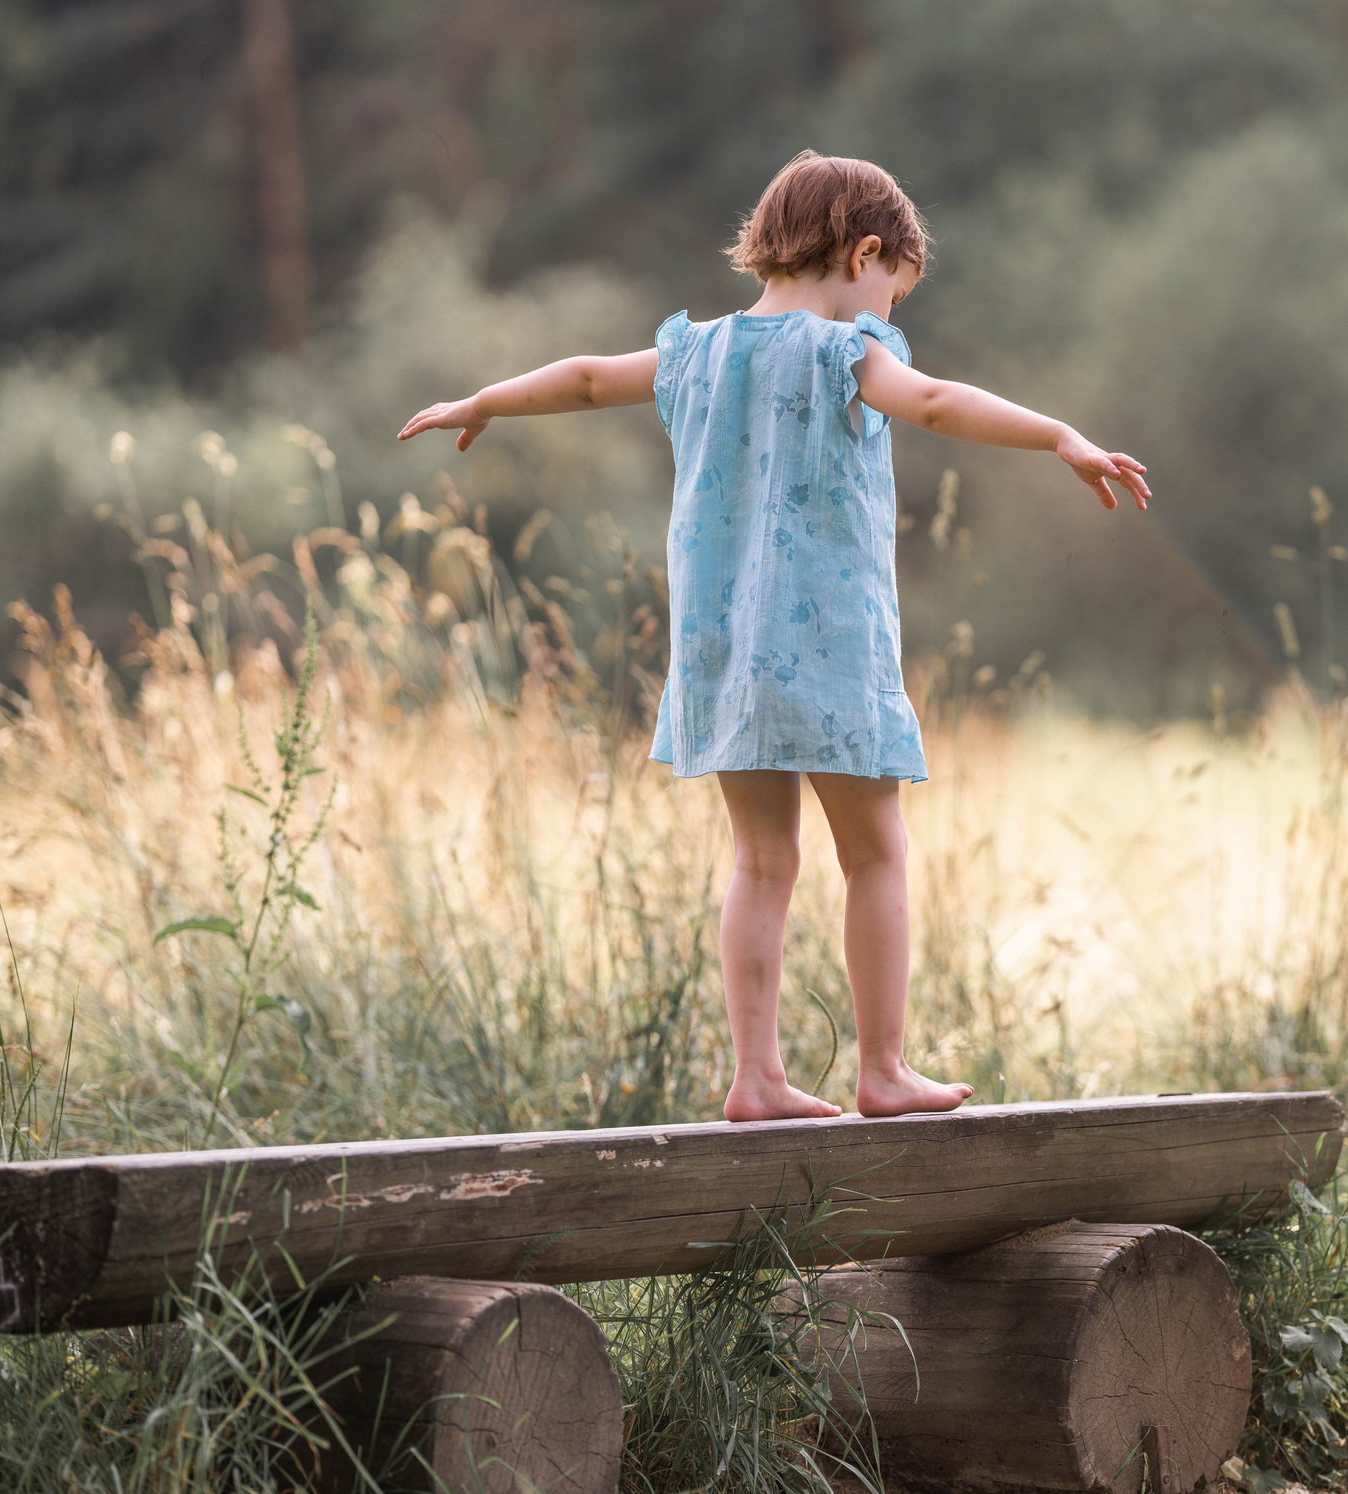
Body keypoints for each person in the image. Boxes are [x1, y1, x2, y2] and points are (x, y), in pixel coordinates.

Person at [401, 152, 1150, 1120]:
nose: (885, 317)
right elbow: (929, 402)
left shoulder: (694, 351)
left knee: (761, 861)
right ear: (865, 250)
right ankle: (882, 1069)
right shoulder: (842, 355)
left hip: (724, 652)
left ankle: (755, 1078)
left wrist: (486, 401)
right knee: (874, 852)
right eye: (889, 294)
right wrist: (1059, 436)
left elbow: (586, 379)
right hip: (829, 643)